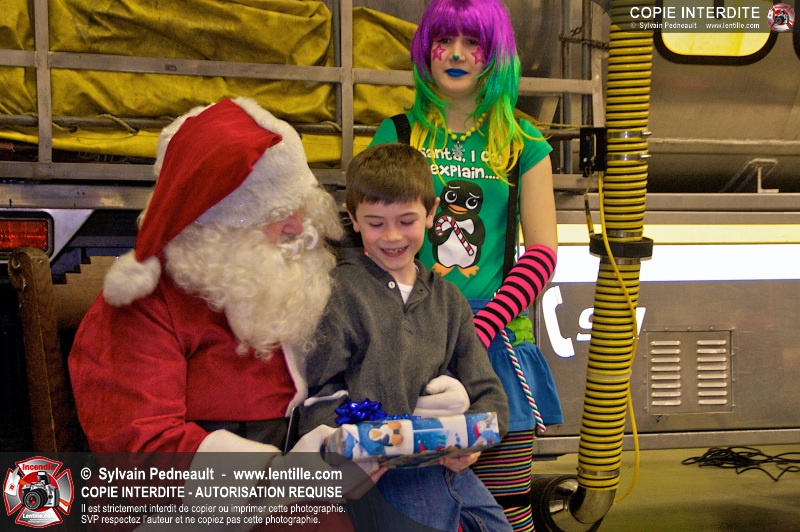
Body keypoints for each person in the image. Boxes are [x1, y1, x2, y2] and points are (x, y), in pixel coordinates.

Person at [68, 97, 365, 531]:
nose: (297, 227)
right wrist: (275, 477)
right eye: (277, 214)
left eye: (300, 207)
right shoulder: (144, 303)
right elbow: (141, 450)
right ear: (219, 223)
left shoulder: (284, 281)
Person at [368, 1, 562, 530]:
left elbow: (543, 252)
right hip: (406, 341)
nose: (455, 54)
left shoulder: (525, 143)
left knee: (505, 509)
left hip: (494, 344)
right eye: (444, 40)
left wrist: (481, 327)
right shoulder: (397, 134)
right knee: (412, 508)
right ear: (425, 50)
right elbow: (369, 238)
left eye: (472, 42)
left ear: (494, 54)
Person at [298, 143, 512, 532]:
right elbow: (318, 396)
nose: (393, 236)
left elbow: (489, 392)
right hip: (380, 476)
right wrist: (352, 450)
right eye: (376, 223)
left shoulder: (449, 299)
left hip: (448, 468)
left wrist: (474, 444)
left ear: (431, 214)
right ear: (353, 218)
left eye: (407, 220)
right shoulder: (336, 294)